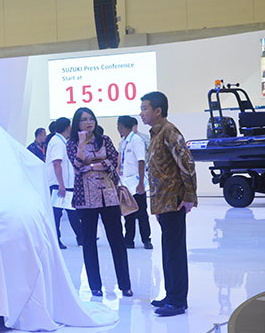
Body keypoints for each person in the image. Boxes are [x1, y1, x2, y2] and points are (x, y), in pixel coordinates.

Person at [140, 91, 197, 317]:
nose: (141, 113)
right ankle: (171, 294)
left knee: (175, 252)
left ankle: (178, 300)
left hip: (174, 202)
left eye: (144, 108)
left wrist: (189, 195)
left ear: (158, 111)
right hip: (163, 203)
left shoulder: (169, 132)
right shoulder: (156, 134)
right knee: (168, 251)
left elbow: (187, 163)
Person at [67, 107, 132, 298]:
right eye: (84, 119)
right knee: (89, 241)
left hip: (109, 195)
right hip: (85, 198)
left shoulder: (104, 140)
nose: (89, 122)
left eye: (91, 119)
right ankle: (95, 285)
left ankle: (125, 284)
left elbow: (113, 161)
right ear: (77, 123)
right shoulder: (72, 143)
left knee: (117, 240)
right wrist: (81, 144)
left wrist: (93, 165)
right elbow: (77, 166)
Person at [45, 117, 83, 249]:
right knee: (57, 214)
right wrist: (61, 184)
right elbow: (57, 163)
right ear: (68, 128)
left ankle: (81, 237)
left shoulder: (61, 141)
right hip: (58, 184)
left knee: (72, 211)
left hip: (65, 184)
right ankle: (56, 239)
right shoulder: (57, 143)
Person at [117, 115, 152, 249]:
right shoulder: (124, 142)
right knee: (128, 212)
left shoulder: (136, 140)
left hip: (136, 182)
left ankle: (146, 239)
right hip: (125, 183)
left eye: (118, 126)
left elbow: (141, 161)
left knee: (141, 212)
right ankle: (129, 240)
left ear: (121, 126)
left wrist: (141, 183)